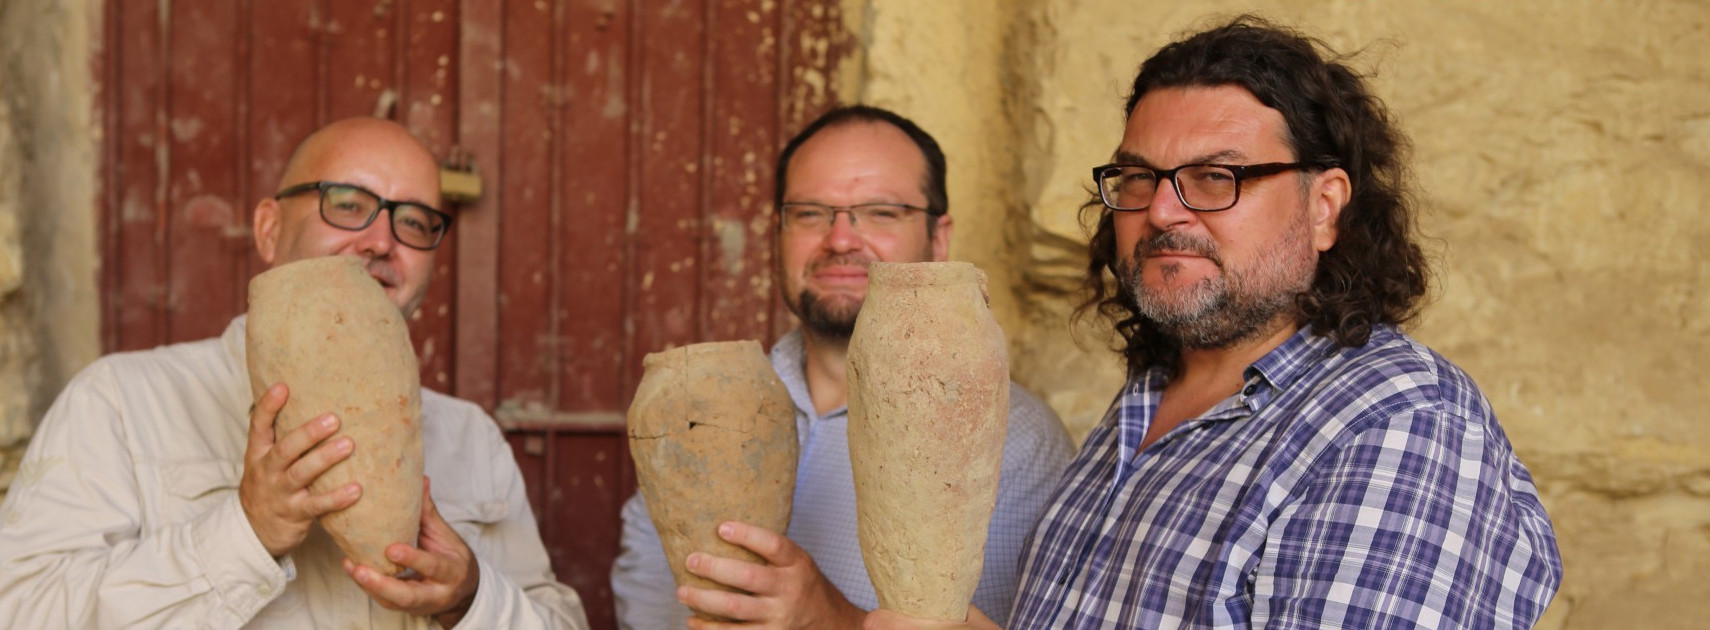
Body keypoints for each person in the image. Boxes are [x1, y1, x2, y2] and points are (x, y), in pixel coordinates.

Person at [866, 16, 1562, 630]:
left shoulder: (1398, 424)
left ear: (1324, 206)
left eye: (1215, 177)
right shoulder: (1148, 402)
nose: (1163, 211)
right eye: (1139, 178)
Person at [0, 117, 591, 630]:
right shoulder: (122, 402)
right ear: (270, 229)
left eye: (415, 222)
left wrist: (471, 600)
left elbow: (557, 620)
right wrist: (246, 533)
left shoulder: (471, 437)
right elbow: (16, 614)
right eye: (348, 204)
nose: (381, 240)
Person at [610, 105, 1075, 629]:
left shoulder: (1023, 442)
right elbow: (647, 605)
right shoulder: (703, 410)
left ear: (938, 238)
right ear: (778, 233)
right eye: (810, 213)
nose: (841, 239)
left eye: (881, 212)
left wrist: (830, 618)